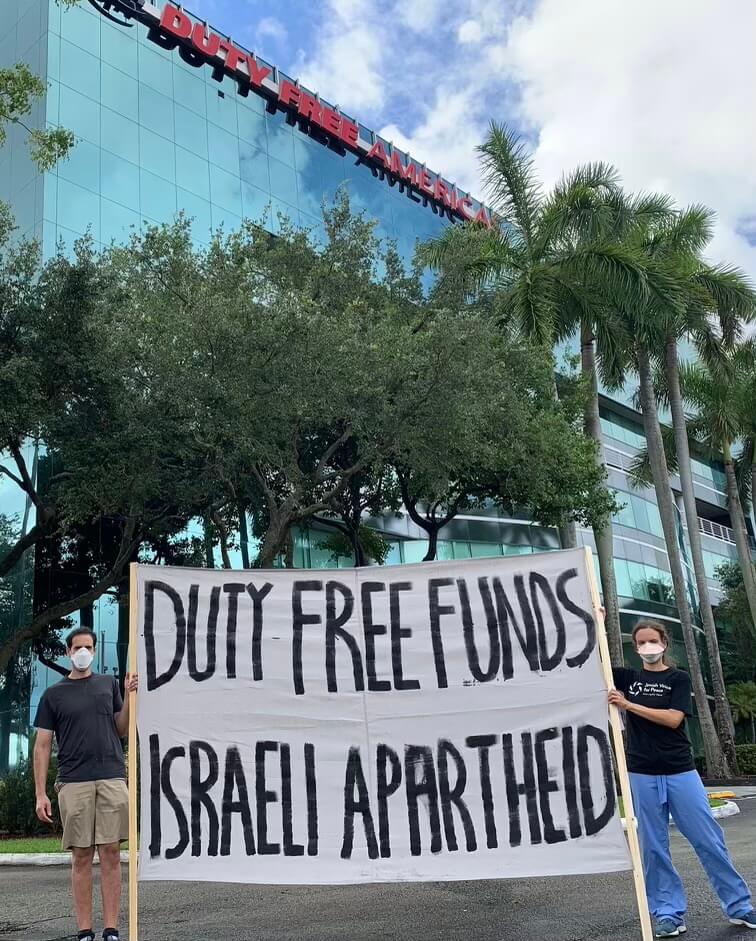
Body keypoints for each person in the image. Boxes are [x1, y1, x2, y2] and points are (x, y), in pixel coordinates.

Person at [609, 619, 755, 938]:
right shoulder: (627, 677)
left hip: (680, 770)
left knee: (708, 840)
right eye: (642, 643)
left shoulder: (678, 678)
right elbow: (594, 660)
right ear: (635, 647)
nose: (648, 647)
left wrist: (628, 704)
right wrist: (599, 619)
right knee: (653, 847)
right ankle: (667, 912)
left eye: (653, 641)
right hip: (641, 771)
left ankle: (739, 905)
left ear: (664, 642)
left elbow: (674, 719)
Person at [33, 628, 139, 941]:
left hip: (111, 776)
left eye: (88, 647)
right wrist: (40, 794)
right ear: (68, 652)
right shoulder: (54, 695)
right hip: (73, 782)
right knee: (81, 855)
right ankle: (84, 931)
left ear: (94, 651)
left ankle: (111, 929)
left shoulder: (108, 685)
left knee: (110, 853)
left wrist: (130, 697)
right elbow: (42, 746)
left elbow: (120, 728)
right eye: (78, 647)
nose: (83, 652)